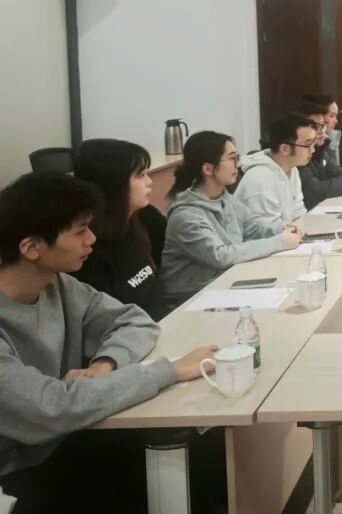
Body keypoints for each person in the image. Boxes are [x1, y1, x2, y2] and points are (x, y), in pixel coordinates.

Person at [0, 172, 215, 513]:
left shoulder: (58, 285)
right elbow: (51, 407)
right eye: (80, 231)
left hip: (70, 437)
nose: (92, 239)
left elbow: (135, 320)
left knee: (203, 449)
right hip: (20, 470)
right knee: (174, 466)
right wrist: (170, 371)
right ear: (31, 248)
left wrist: (105, 365)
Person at [161, 131, 301, 313]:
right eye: (232, 158)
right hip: (190, 301)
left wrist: (282, 228)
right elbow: (221, 256)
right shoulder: (186, 215)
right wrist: (279, 242)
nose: (238, 164)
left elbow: (253, 226)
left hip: (226, 284)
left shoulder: (224, 198)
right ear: (208, 169)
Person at [71, 139, 167, 320]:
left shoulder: (144, 221)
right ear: (113, 183)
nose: (149, 181)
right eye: (140, 175)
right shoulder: (88, 253)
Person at [234, 114, 317, 232]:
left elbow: (299, 215)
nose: (313, 150)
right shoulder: (260, 179)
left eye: (313, 144)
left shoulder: (292, 169)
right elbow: (267, 233)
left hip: (286, 237)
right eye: (307, 144)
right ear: (284, 149)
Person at [297, 98, 342, 210]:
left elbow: (333, 171)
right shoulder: (299, 153)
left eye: (323, 125)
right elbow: (315, 191)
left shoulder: (320, 148)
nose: (321, 131)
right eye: (314, 127)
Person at [304, 93, 342, 167]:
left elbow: (334, 168)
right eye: (332, 116)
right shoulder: (309, 146)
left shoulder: (331, 137)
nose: (336, 121)